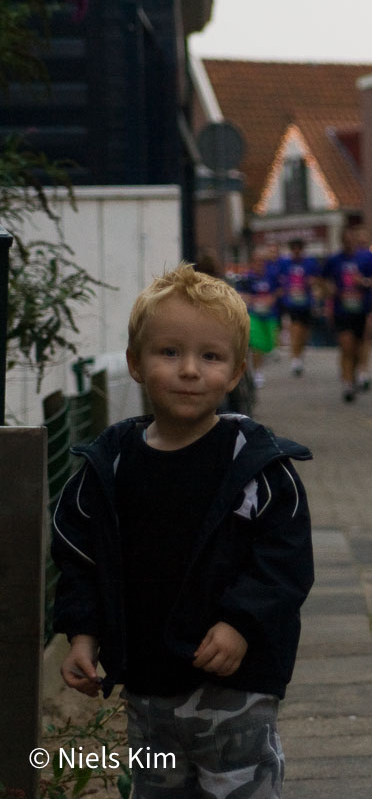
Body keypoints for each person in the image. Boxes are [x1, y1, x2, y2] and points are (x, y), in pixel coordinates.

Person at [52, 263, 313, 796]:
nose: (190, 370)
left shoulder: (259, 469)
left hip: (236, 689)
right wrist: (83, 634)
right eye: (169, 352)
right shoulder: (110, 467)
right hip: (148, 685)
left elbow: (284, 562)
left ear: (236, 372)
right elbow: (80, 556)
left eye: (210, 357)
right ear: (135, 364)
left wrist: (241, 623)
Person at [324, 226, 372, 402]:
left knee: (358, 348)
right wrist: (329, 289)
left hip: (361, 310)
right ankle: (347, 384)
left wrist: (362, 281)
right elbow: (322, 280)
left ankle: (357, 374)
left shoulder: (367, 258)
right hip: (342, 310)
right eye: (345, 240)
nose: (349, 243)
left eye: (351, 239)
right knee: (346, 346)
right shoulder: (334, 260)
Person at [275, 238, 322, 377]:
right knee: (295, 329)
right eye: (294, 248)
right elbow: (278, 279)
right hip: (291, 302)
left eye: (299, 248)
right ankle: (295, 359)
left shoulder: (310, 263)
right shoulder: (284, 263)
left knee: (304, 333)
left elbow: (318, 279)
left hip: (306, 302)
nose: (296, 251)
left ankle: (299, 355)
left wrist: (313, 283)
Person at [237, 254, 280, 390]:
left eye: (261, 261)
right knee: (257, 344)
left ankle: (261, 361)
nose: (259, 264)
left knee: (269, 344)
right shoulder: (247, 278)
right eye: (256, 261)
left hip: (269, 315)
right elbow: (241, 294)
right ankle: (257, 372)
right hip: (254, 315)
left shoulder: (271, 276)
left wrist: (271, 299)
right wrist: (254, 299)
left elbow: (279, 290)